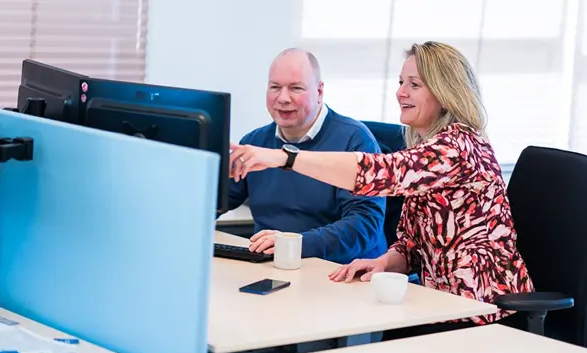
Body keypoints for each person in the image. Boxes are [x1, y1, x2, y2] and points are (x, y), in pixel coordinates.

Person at [229, 41, 535, 335]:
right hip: (438, 306)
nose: (401, 92)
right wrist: (385, 262)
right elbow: (412, 245)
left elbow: (378, 172)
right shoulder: (428, 150)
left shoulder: (458, 147)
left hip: (482, 311)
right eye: (401, 82)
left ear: (445, 92)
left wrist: (285, 157)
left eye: (414, 85)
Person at [223, 48, 388, 264]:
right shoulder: (256, 142)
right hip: (272, 268)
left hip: (340, 275)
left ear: (319, 92)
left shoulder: (355, 140)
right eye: (274, 87)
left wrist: (295, 243)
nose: (283, 98)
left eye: (296, 88)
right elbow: (215, 203)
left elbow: (364, 227)